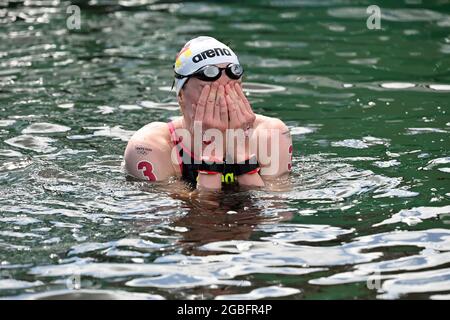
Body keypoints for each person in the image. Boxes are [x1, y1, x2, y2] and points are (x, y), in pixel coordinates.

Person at [124, 36, 292, 191]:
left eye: (231, 89)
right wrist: (212, 152)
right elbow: (201, 218)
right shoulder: (151, 147)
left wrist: (242, 153)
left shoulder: (270, 134)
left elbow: (271, 215)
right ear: (181, 95)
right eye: (209, 91)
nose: (223, 100)